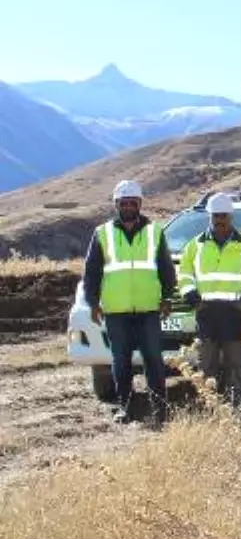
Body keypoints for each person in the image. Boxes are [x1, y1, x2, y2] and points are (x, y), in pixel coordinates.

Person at [82, 179, 176, 425]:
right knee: (120, 361)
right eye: (123, 203)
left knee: (154, 360)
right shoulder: (102, 233)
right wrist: (92, 303)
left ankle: (160, 410)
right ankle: (124, 407)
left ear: (140, 204)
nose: (128, 207)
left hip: (148, 310)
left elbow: (167, 269)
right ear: (116, 204)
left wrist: (167, 298)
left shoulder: (155, 231)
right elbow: (91, 272)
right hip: (116, 311)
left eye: (132, 202)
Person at [178, 192, 241, 403]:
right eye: (216, 215)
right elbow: (185, 274)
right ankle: (210, 403)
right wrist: (192, 297)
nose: (220, 220)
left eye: (224, 215)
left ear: (231, 216)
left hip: (235, 313)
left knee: (235, 363)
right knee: (208, 363)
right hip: (206, 313)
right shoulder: (195, 245)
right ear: (209, 217)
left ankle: (238, 403)